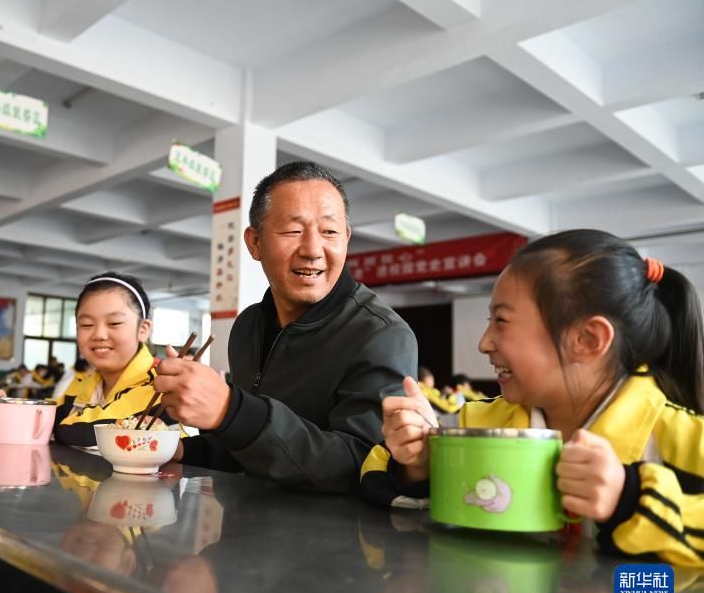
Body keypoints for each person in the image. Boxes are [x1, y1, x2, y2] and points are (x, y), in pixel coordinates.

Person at [361, 229, 704, 566]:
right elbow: (373, 468)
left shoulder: (683, 439)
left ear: (587, 339)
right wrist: (417, 465)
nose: (484, 343)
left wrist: (629, 497)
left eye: (502, 321)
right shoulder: (479, 426)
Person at [152, 161, 418, 493]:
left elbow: (363, 464)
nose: (312, 250)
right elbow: (250, 449)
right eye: (293, 231)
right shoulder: (248, 327)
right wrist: (177, 450)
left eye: (329, 232)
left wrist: (231, 410)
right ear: (255, 243)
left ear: (346, 239)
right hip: (243, 533)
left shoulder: (380, 334)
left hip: (334, 541)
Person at [0, 272, 172, 446]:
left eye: (114, 323)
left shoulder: (160, 387)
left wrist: (46, 425)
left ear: (143, 329)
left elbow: (85, 431)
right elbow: (47, 417)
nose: (99, 334)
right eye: (86, 325)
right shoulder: (84, 384)